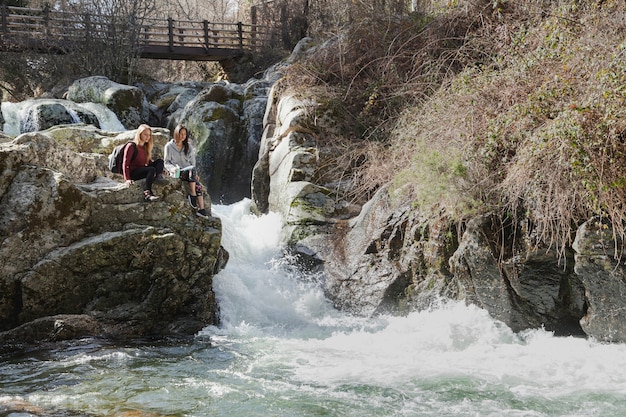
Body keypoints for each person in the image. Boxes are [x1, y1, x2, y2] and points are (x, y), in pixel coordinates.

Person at [163, 124, 210, 218]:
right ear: (176, 133)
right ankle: (192, 194)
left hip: (189, 173)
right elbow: (166, 162)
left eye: (184, 134)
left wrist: (195, 174)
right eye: (180, 134)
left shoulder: (188, 146)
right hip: (177, 172)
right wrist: (173, 168)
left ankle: (201, 210)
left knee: (198, 184)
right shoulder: (169, 146)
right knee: (192, 170)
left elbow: (193, 162)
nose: (183, 136)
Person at [123, 124, 165, 202]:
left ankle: (158, 177)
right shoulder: (131, 146)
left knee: (160, 161)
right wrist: (127, 179)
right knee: (151, 169)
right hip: (134, 173)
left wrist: (161, 169)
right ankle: (148, 193)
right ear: (140, 134)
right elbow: (125, 164)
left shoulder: (145, 148)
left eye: (149, 135)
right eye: (145, 134)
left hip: (142, 170)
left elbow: (149, 162)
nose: (147, 137)